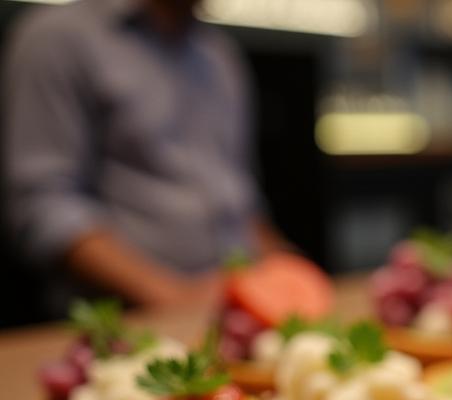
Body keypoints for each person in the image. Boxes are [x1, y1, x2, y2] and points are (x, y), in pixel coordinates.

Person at [1, 0, 287, 313]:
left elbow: (239, 202)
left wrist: (287, 271)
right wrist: (177, 298)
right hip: (124, 323)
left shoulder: (219, 55)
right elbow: (44, 206)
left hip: (237, 308)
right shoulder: (57, 38)